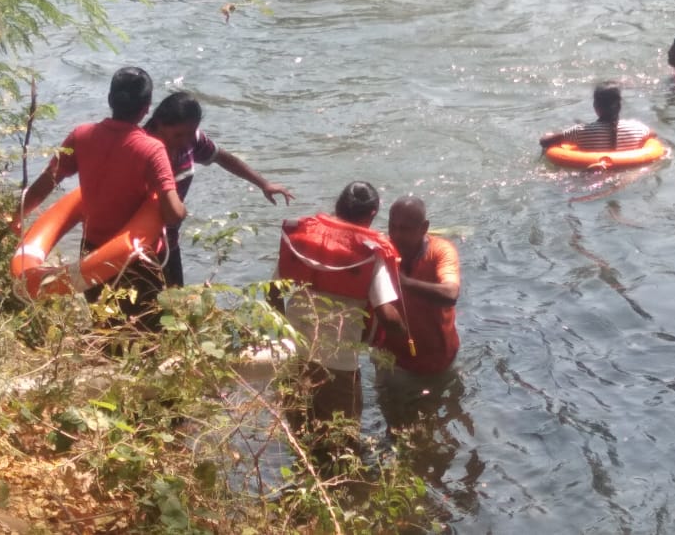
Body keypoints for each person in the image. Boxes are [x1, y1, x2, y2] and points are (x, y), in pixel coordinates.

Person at [18, 67, 185, 327]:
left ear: (110, 99)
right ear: (146, 109)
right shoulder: (152, 149)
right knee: (146, 333)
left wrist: (16, 218)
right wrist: (182, 209)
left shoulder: (80, 135)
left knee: (106, 328)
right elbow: (172, 213)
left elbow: (44, 185)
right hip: (136, 261)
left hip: (92, 252)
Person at [272, 181, 406, 433]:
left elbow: (272, 292)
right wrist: (406, 336)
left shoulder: (303, 239)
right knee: (342, 438)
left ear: (337, 206)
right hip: (339, 364)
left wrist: (283, 333)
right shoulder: (369, 252)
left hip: (293, 353)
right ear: (373, 213)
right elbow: (388, 317)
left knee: (300, 430)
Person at [144, 91, 294, 288]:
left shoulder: (190, 142)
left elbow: (221, 157)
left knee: (174, 304)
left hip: (170, 241)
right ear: (159, 124)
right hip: (142, 244)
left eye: (190, 133)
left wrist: (263, 184)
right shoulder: (143, 147)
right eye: (178, 135)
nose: (184, 141)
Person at [373, 196, 462, 428]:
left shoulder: (441, 251)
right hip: (393, 361)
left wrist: (403, 282)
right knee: (394, 425)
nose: (396, 234)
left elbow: (451, 293)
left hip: (437, 361)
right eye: (392, 226)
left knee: (435, 425)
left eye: (405, 229)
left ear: (424, 228)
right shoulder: (381, 251)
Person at [540, 81, 655, 151]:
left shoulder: (581, 131)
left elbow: (545, 142)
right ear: (619, 106)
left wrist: (547, 135)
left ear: (595, 107)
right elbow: (653, 135)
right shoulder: (638, 128)